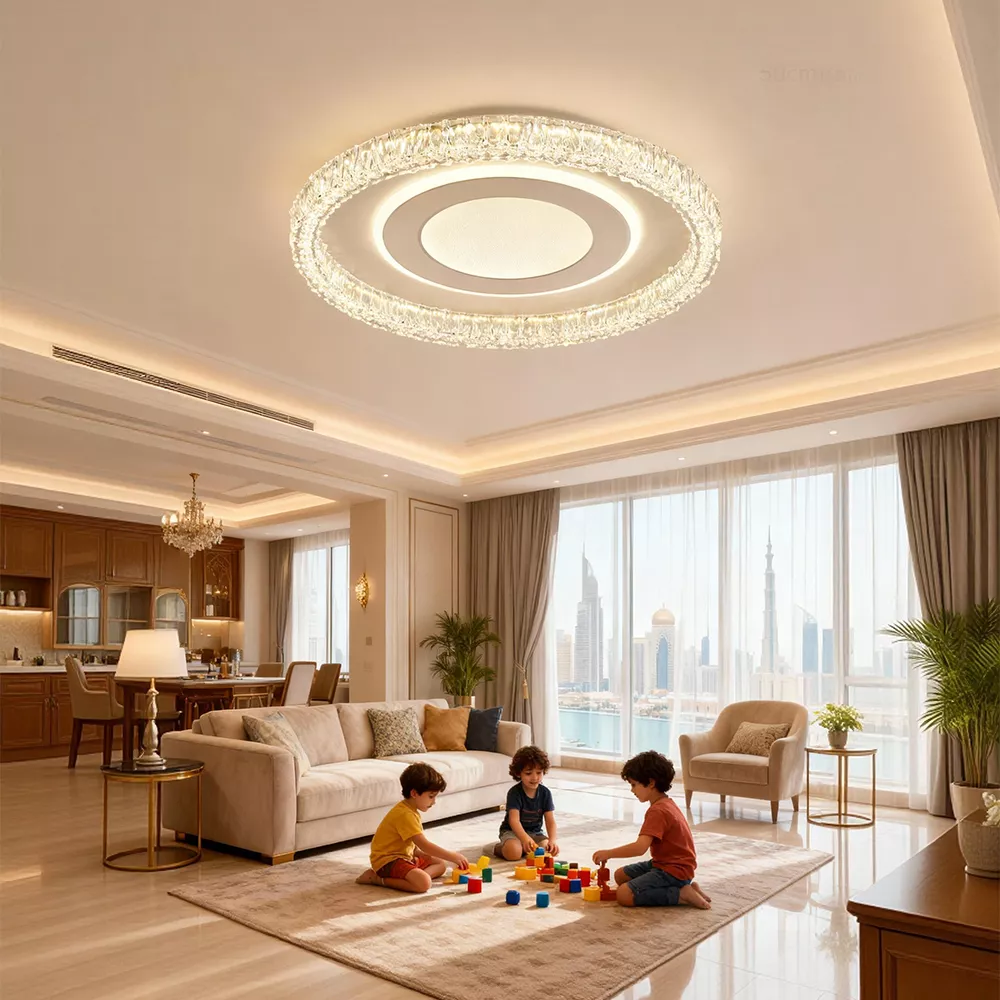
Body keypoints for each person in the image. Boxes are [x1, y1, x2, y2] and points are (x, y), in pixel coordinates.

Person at [591, 750, 711, 909]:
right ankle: (687, 887)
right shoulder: (666, 803)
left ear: (651, 782)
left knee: (624, 895)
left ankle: (681, 895)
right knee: (620, 875)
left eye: (634, 784)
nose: (632, 790)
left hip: (673, 871)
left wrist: (609, 853)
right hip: (668, 864)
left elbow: (640, 847)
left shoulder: (658, 811)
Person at [356, 762, 469, 892]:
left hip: (404, 857)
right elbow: (424, 845)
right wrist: (453, 856)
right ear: (414, 793)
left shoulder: (409, 809)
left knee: (440, 864)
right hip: (387, 862)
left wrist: (420, 855)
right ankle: (376, 878)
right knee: (424, 884)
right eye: (431, 796)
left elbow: (409, 843)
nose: (434, 801)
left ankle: (414, 876)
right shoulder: (405, 814)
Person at [493, 745, 560, 861]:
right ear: (519, 774)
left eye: (539, 773)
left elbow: (550, 821)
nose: (534, 777)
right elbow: (514, 821)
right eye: (528, 773)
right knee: (513, 853)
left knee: (546, 852)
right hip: (512, 832)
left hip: (535, 833)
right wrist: (524, 839)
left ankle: (524, 848)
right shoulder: (514, 793)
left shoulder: (545, 793)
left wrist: (552, 840)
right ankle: (499, 848)